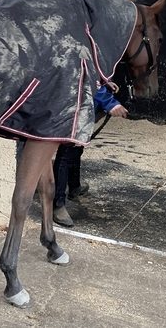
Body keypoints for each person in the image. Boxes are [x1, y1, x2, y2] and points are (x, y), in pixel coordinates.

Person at [52, 84, 128, 227]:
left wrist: (106, 82)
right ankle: (58, 204)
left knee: (77, 147)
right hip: (74, 105)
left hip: (85, 106)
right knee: (66, 153)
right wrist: (109, 101)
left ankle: (74, 187)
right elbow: (86, 78)